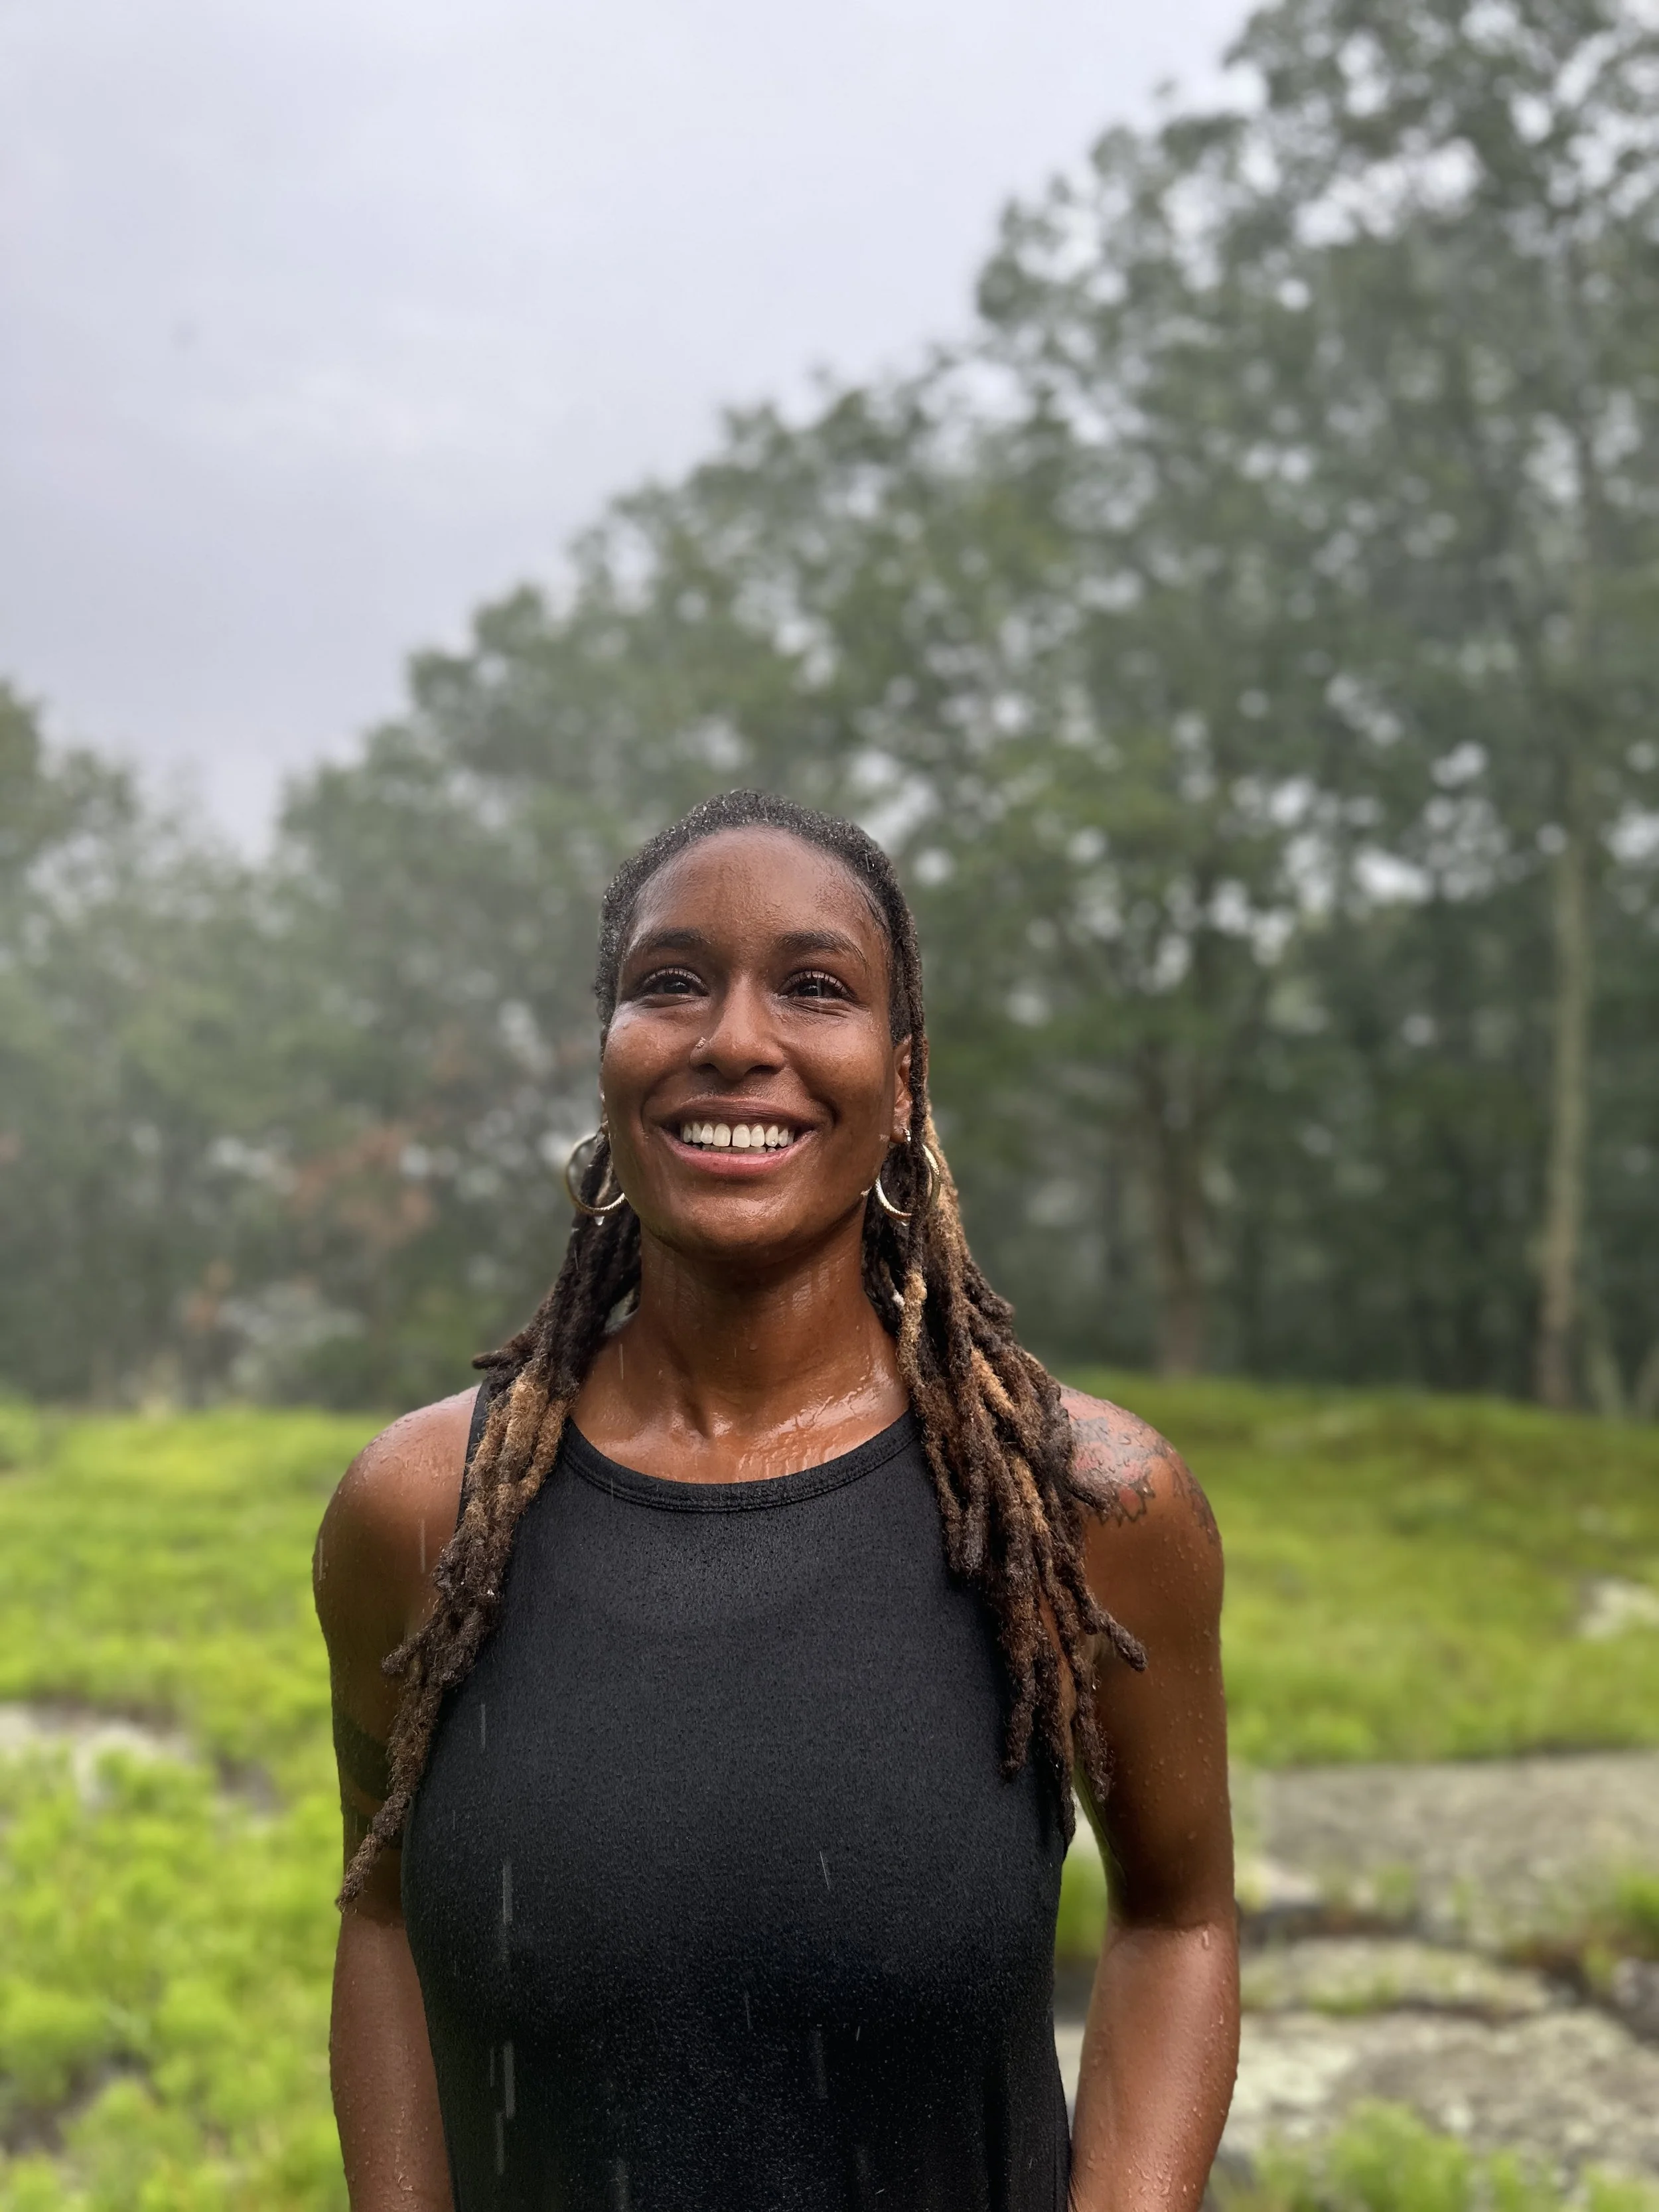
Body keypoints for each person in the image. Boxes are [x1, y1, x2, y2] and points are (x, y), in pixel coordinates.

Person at [315, 790, 1237, 2212]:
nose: (734, 1040)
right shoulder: (425, 1513)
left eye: (813, 988)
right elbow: (376, 1912)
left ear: (903, 1075)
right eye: (668, 983)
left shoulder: (1086, 1507)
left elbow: (1175, 1919)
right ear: (609, 1057)